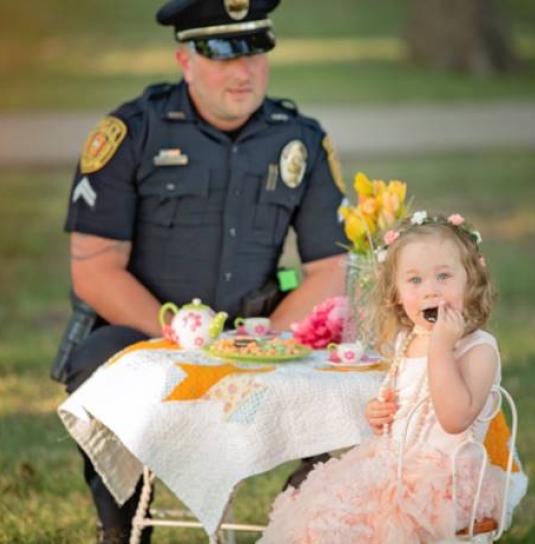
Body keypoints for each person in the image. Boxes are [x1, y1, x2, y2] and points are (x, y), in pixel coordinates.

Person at [56, 0, 348, 541]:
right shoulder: (132, 133)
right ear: (185, 60)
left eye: (255, 52)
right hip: (147, 333)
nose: (243, 71)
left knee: (357, 385)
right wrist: (180, 339)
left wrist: (267, 344)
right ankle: (121, 529)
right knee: (94, 364)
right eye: (222, 54)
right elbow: (95, 271)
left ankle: (294, 526)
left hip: (258, 333)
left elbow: (330, 267)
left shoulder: (300, 140)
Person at [259, 212, 528, 543]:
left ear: (471, 281)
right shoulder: (408, 338)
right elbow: (409, 402)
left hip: (443, 484)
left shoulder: (478, 349)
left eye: (443, 276)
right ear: (397, 292)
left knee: (368, 524)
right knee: (318, 514)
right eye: (414, 281)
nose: (430, 290)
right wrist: (379, 411)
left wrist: (441, 348)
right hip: (391, 466)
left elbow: (455, 418)